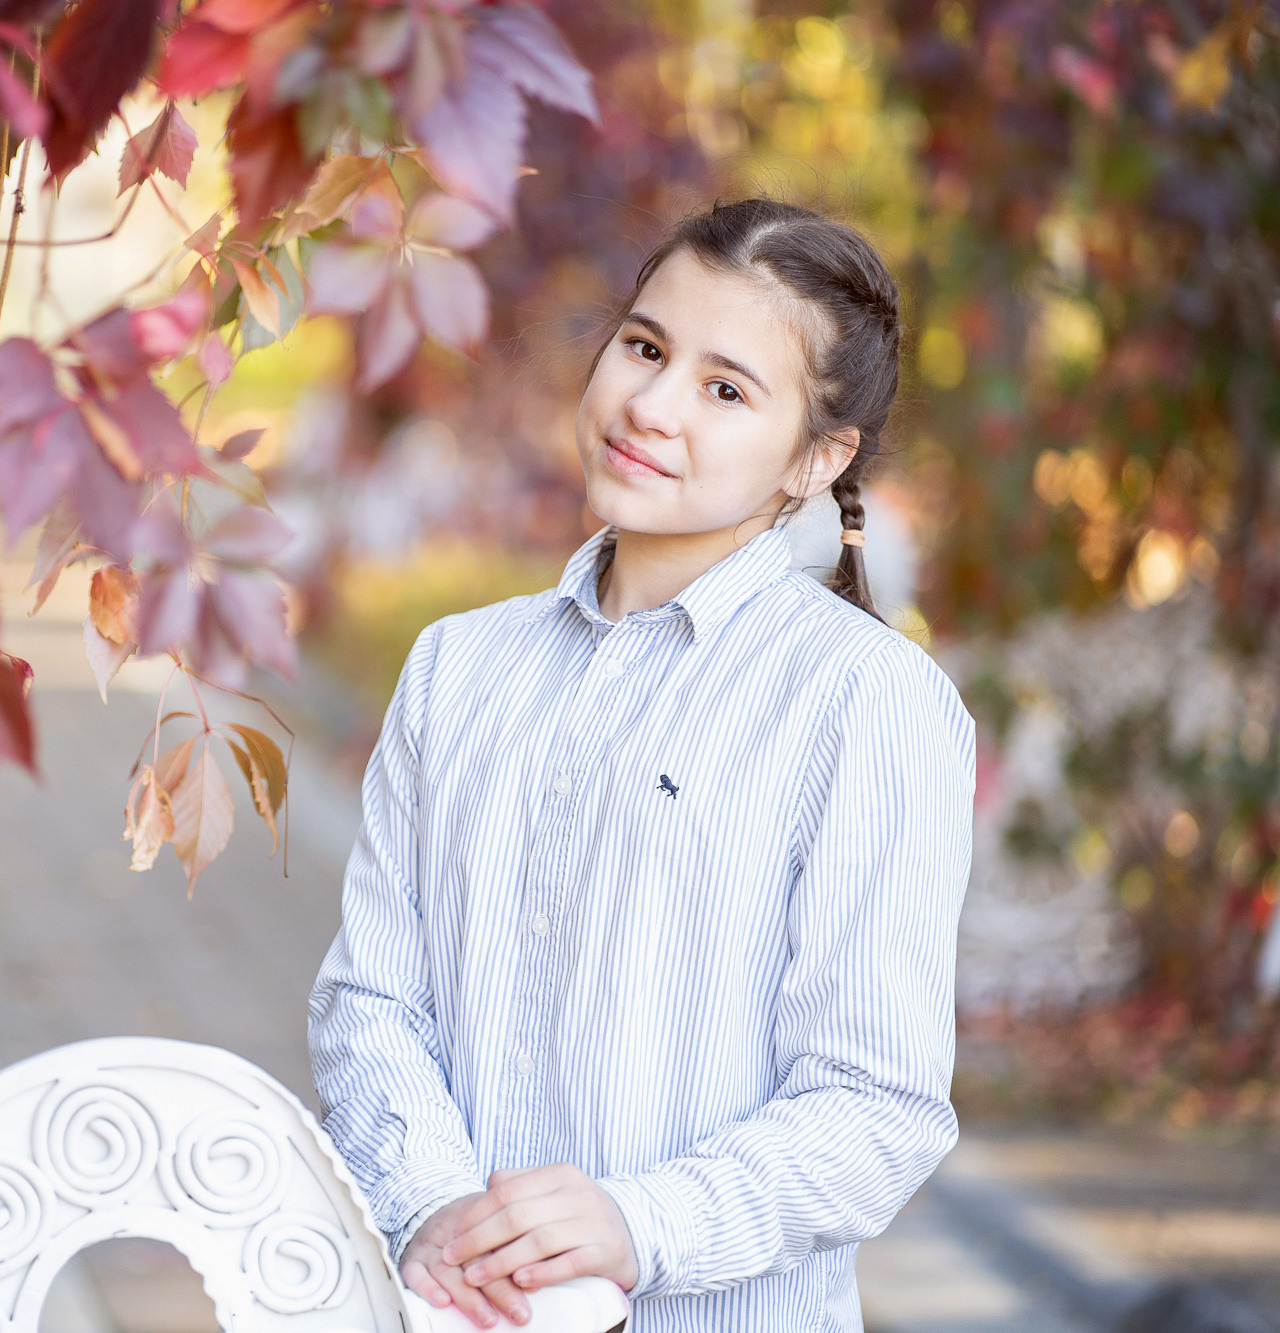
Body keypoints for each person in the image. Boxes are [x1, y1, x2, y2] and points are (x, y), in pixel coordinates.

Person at [306, 197, 976, 1332]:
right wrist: (438, 1214)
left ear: (815, 458)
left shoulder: (863, 702)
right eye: (644, 347)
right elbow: (371, 999)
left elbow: (876, 1104)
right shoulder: (455, 668)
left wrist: (636, 1224)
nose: (650, 405)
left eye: (724, 389)